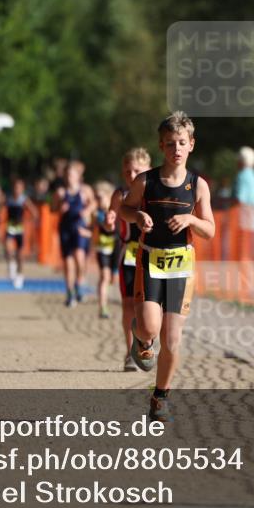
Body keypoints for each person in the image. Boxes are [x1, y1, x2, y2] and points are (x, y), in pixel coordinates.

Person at [119, 112, 215, 422]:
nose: (177, 148)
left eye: (182, 143)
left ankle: (160, 398)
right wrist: (137, 217)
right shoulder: (145, 181)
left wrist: (191, 219)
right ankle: (142, 339)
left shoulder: (198, 186)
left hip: (181, 266)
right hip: (150, 259)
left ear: (192, 146)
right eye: (171, 143)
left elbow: (210, 229)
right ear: (162, 145)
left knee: (172, 339)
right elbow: (124, 208)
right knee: (149, 327)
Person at [110, 147, 151, 372]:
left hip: (151, 255)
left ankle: (145, 343)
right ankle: (129, 353)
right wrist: (108, 221)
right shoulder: (120, 195)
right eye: (128, 171)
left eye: (137, 170)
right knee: (128, 306)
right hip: (127, 254)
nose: (132, 175)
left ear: (148, 170)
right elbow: (111, 218)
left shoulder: (154, 193)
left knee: (147, 306)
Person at [56, 160, 96, 306]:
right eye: (67, 175)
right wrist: (60, 207)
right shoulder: (61, 192)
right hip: (65, 228)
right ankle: (69, 292)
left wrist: (87, 210)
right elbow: (53, 208)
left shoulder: (85, 190)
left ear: (78, 176)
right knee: (68, 261)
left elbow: (94, 203)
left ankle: (79, 283)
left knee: (80, 257)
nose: (69, 177)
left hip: (79, 227)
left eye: (72, 174)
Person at [92, 181, 121, 320]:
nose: (97, 200)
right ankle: (102, 307)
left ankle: (106, 297)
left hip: (117, 246)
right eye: (95, 198)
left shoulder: (117, 210)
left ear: (110, 196)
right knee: (104, 276)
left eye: (100, 197)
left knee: (112, 279)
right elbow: (93, 227)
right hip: (102, 248)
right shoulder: (97, 213)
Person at [232, 146, 254, 260]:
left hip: (244, 223)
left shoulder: (242, 176)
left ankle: (244, 278)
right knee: (250, 257)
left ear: (241, 161)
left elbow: (240, 199)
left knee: (242, 256)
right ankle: (248, 277)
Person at [4, 178, 35, 290]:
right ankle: (11, 266)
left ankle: (20, 276)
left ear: (22, 189)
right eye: (15, 187)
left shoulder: (24, 200)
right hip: (10, 227)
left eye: (19, 188)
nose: (17, 190)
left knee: (20, 255)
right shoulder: (9, 198)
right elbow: (0, 207)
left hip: (20, 229)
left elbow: (34, 212)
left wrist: (29, 222)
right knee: (8, 249)